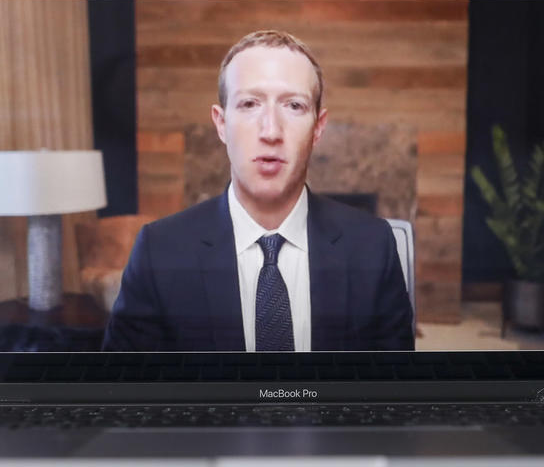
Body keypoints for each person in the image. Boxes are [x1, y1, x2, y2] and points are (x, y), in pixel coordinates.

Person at [102, 30, 414, 352]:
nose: (271, 131)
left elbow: (394, 389)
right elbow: (127, 391)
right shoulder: (159, 252)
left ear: (318, 128)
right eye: (249, 104)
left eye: (293, 106)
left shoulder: (373, 245)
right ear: (221, 123)